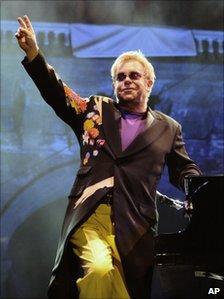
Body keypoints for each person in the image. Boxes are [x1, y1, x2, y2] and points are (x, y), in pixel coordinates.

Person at [15, 15, 202, 299]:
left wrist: (199, 193)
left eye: (134, 75)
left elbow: (184, 169)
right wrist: (34, 55)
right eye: (120, 77)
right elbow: (57, 93)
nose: (126, 80)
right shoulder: (95, 110)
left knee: (122, 290)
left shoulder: (168, 127)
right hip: (91, 210)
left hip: (136, 224)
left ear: (149, 83)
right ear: (114, 83)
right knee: (99, 271)